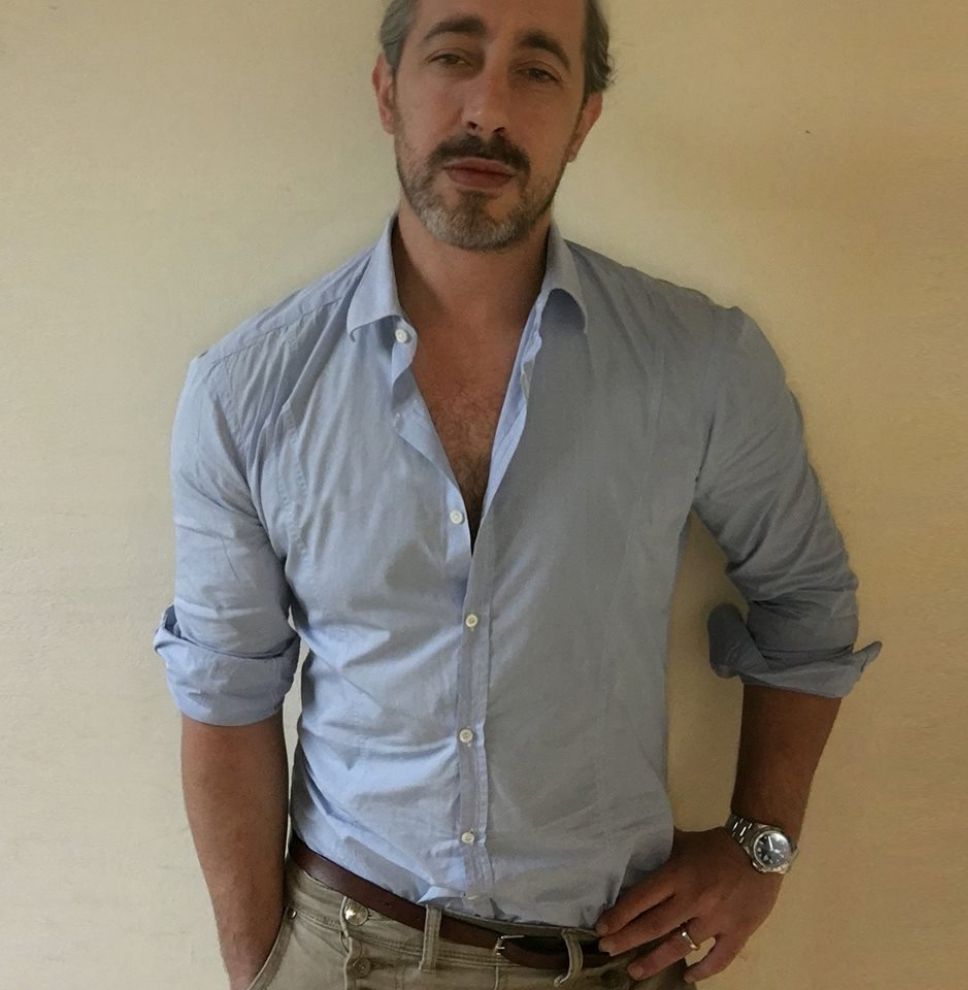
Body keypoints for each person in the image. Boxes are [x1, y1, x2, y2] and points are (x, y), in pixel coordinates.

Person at [152, 1, 882, 988]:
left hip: (610, 957)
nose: (488, 108)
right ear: (387, 91)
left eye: (537, 71)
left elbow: (807, 598)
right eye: (453, 55)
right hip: (345, 947)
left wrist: (762, 847)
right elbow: (227, 694)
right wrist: (262, 973)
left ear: (584, 118)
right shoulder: (249, 394)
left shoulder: (700, 366)